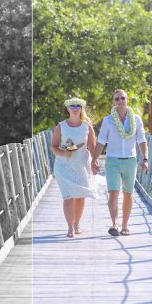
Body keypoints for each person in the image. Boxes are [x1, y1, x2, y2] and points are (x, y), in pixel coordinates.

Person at [92, 89, 149, 236]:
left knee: (128, 193)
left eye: (122, 98)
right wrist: (94, 159)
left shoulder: (136, 119)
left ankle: (125, 226)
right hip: (113, 161)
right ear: (114, 102)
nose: (120, 101)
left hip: (130, 161)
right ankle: (114, 224)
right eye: (116, 99)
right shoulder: (108, 120)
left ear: (127, 99)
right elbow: (101, 141)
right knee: (113, 193)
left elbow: (142, 140)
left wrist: (145, 159)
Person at [51, 97, 98, 238]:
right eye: (72, 105)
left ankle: (77, 224)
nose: (75, 107)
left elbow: (93, 147)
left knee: (80, 196)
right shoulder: (61, 126)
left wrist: (95, 162)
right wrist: (64, 152)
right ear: (68, 108)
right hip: (64, 165)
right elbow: (53, 146)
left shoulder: (87, 126)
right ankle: (70, 227)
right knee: (68, 196)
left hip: (82, 165)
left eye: (78, 105)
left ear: (81, 108)